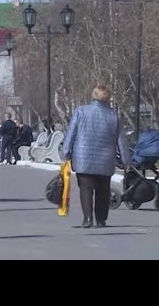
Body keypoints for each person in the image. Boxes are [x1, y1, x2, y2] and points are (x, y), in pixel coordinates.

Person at [61, 85, 131, 228]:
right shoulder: (113, 116)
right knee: (103, 190)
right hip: (105, 160)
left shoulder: (80, 112)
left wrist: (65, 151)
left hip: (82, 158)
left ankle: (87, 219)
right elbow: (121, 141)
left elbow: (71, 133)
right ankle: (101, 219)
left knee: (85, 188)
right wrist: (126, 160)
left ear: (93, 95)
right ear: (108, 98)